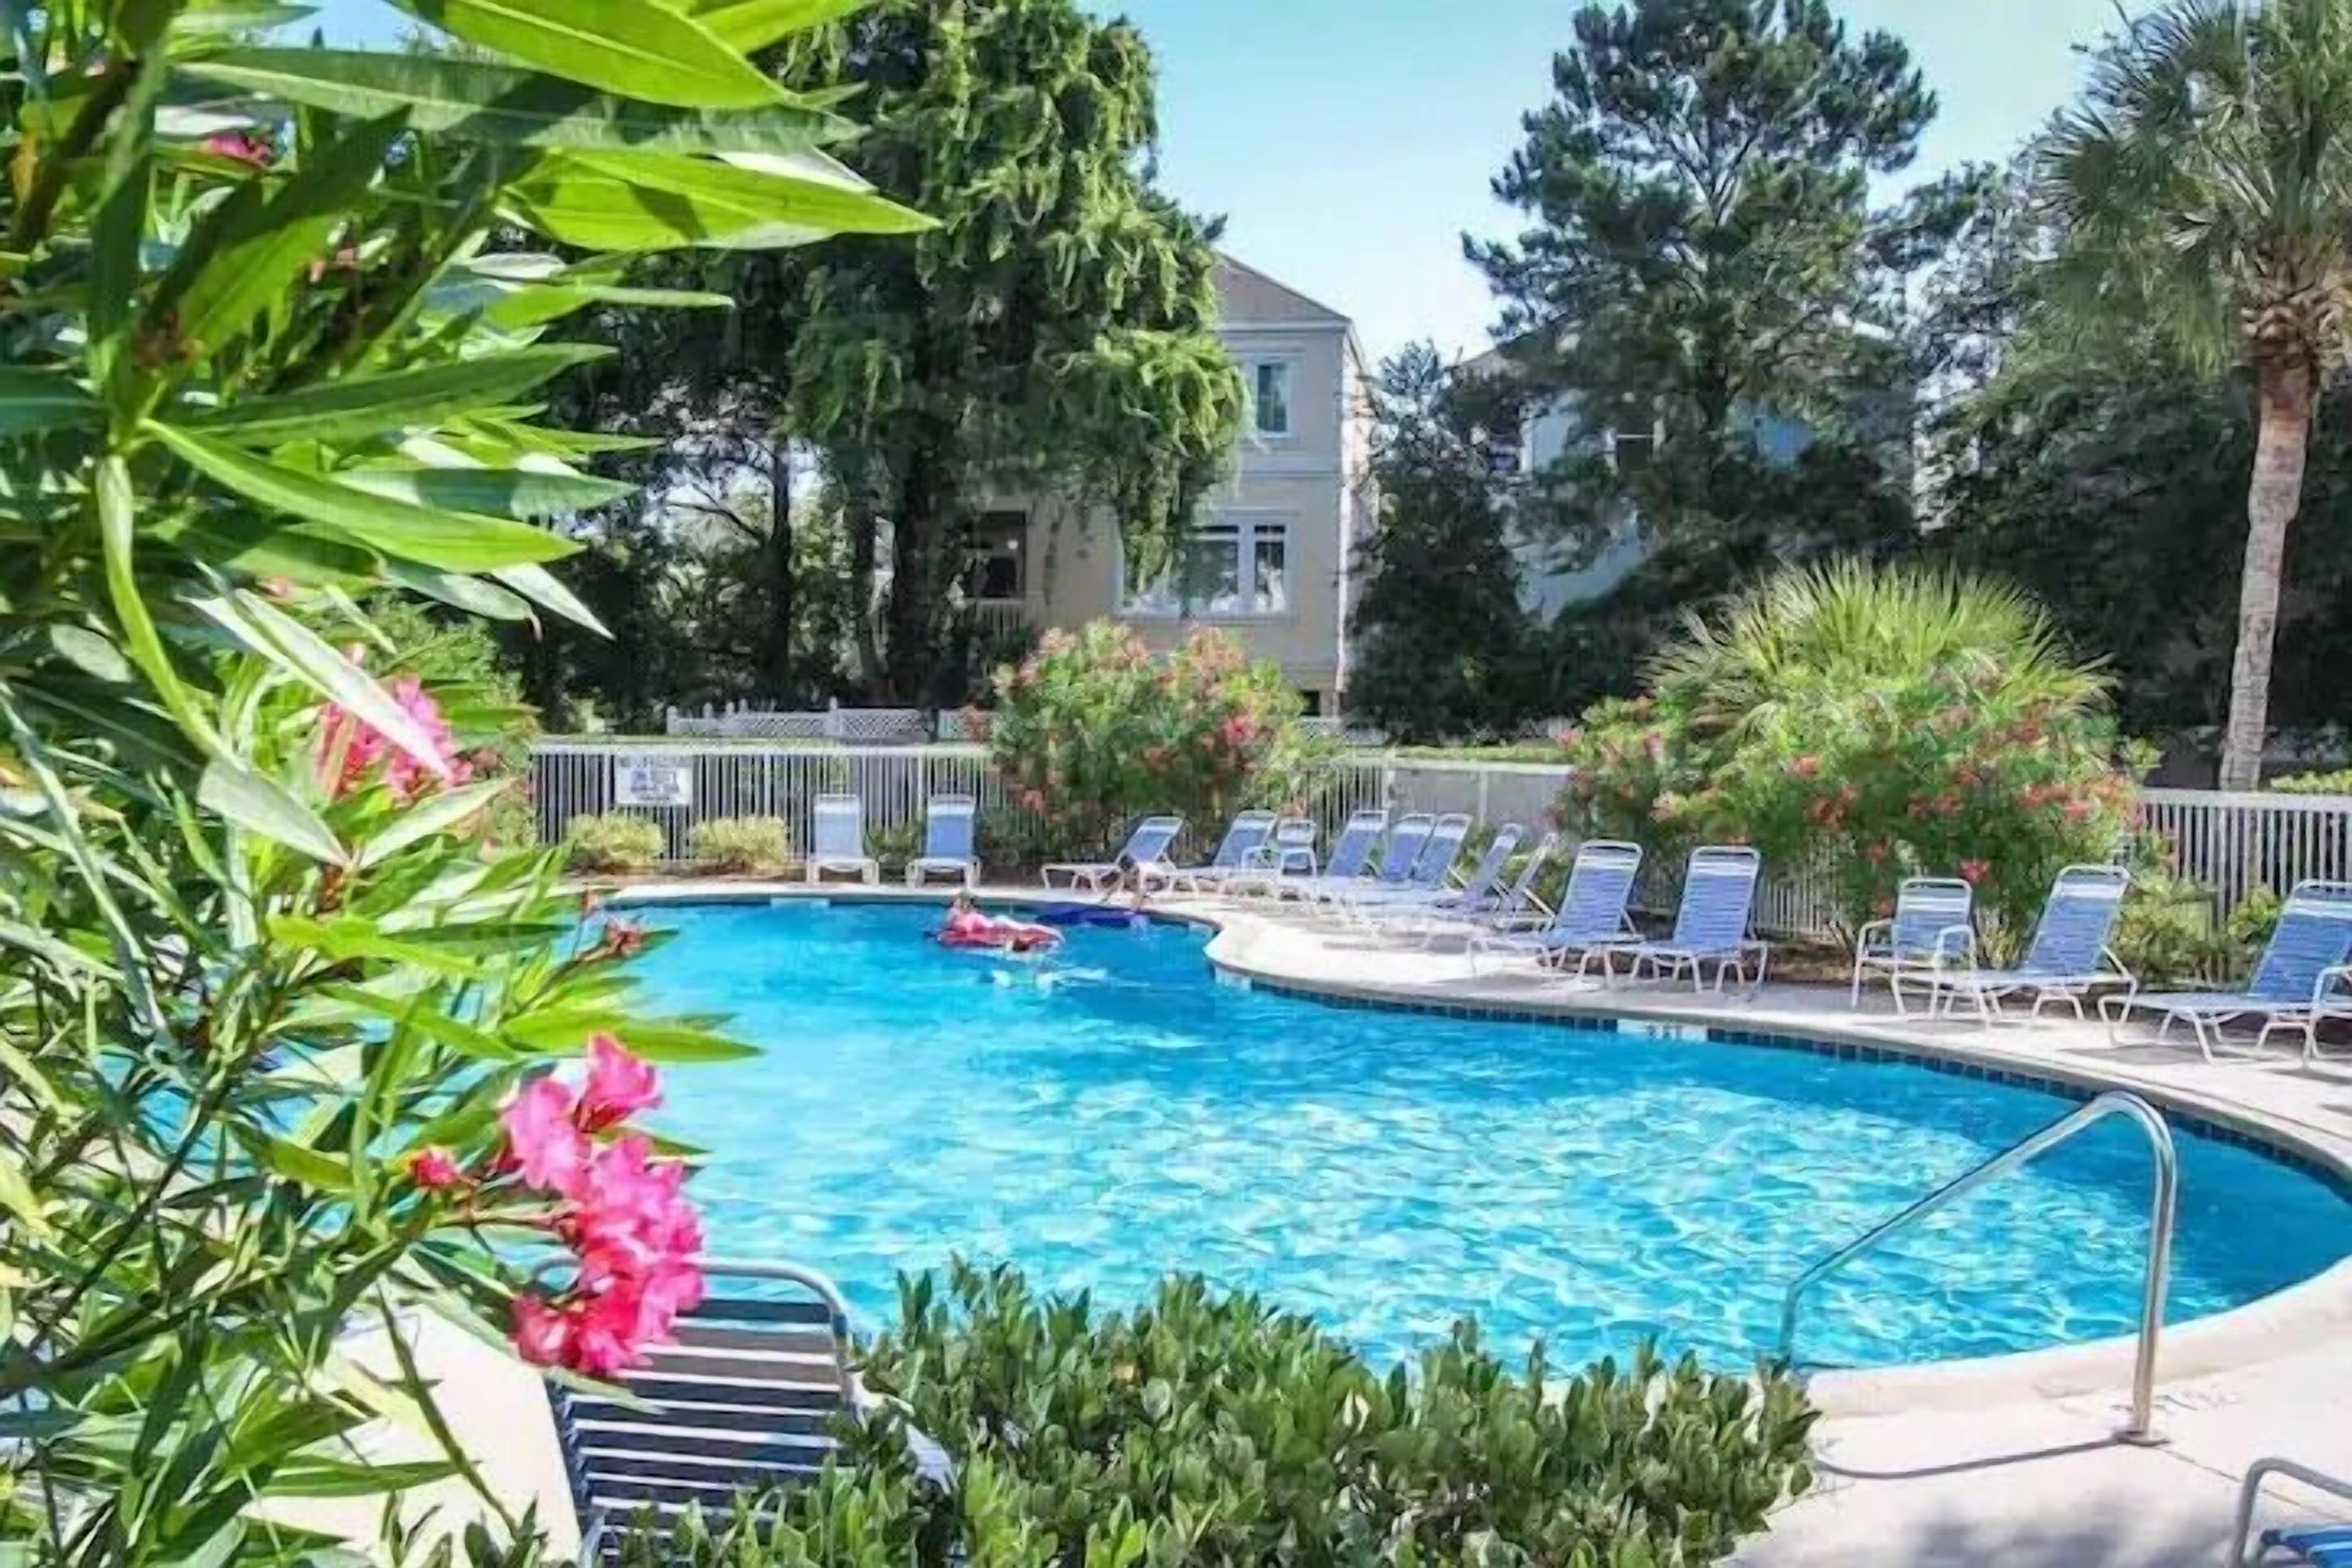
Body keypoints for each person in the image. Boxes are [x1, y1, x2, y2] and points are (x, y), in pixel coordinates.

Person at [937, 892, 1059, 954]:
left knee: (1023, 928)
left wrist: (952, 919)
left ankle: (1053, 931)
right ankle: (1050, 931)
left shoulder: (970, 916)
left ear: (964, 904)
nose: (954, 904)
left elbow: (966, 929)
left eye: (957, 902)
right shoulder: (962, 915)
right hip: (993, 923)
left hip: (998, 922)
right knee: (1023, 928)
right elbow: (951, 925)